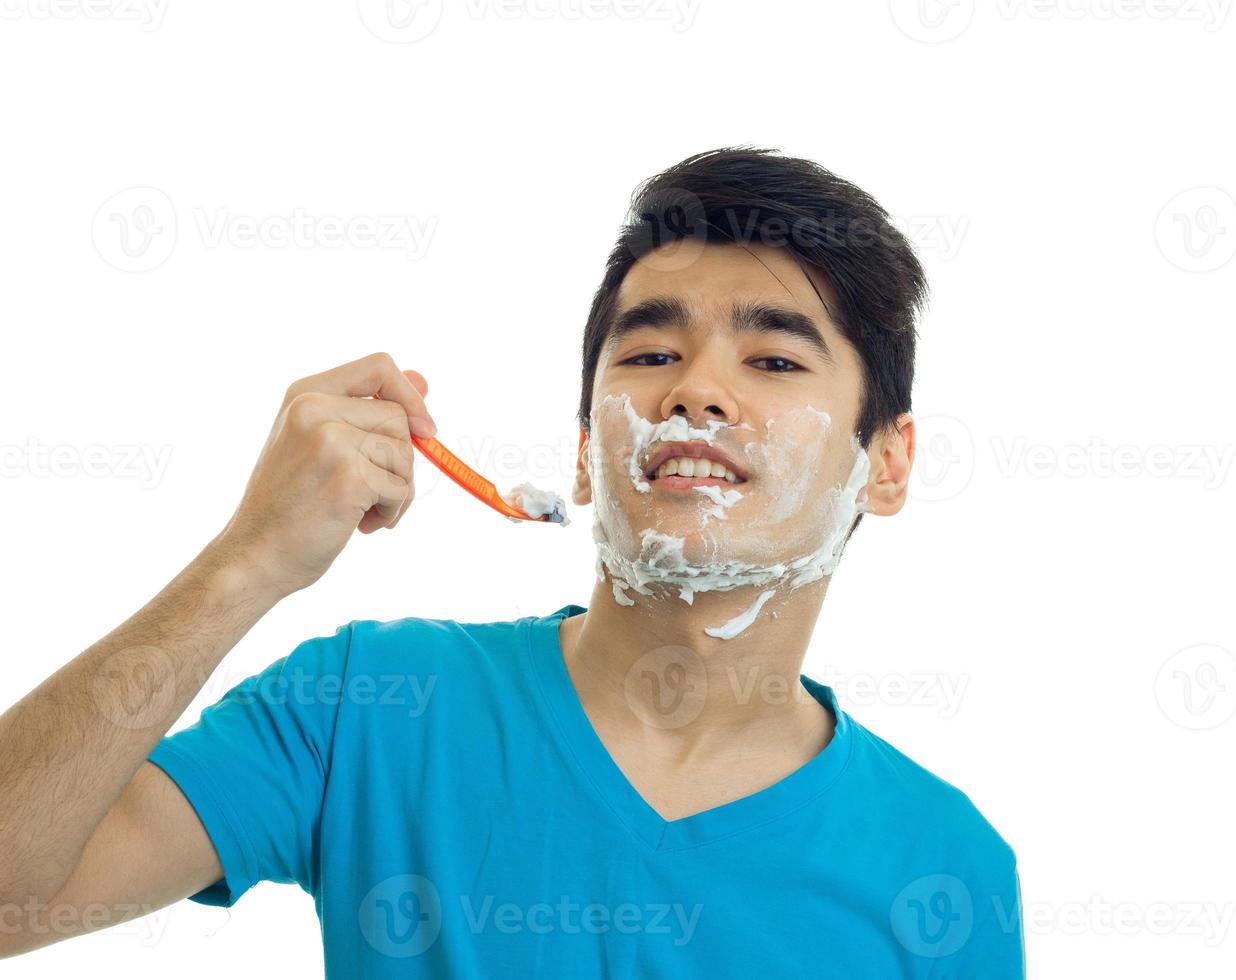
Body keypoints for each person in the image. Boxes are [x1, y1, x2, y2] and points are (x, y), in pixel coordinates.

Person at [0, 147, 1024, 977]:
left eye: (774, 360)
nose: (697, 391)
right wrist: (247, 561)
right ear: (585, 455)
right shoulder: (369, 706)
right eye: (652, 353)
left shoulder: (947, 868)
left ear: (887, 464)